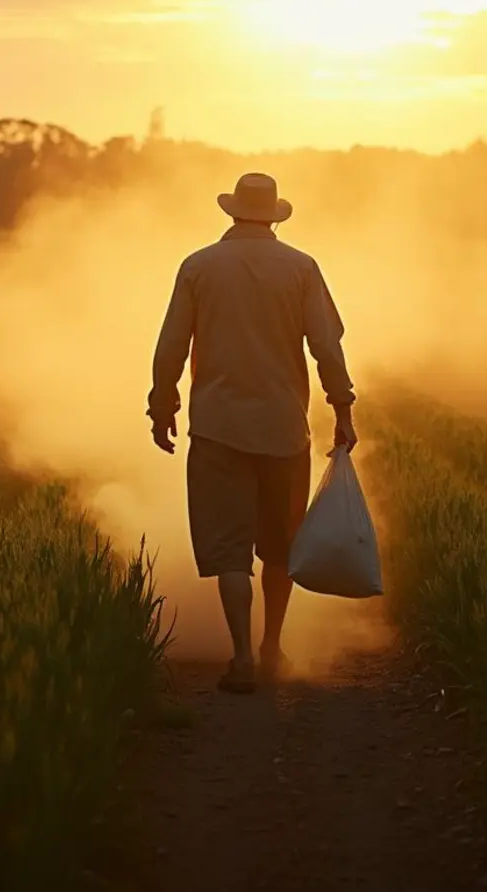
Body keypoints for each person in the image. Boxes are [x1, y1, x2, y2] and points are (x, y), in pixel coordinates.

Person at [147, 172, 358, 695]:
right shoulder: (301, 268)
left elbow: (171, 345)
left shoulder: (198, 266)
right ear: (274, 216)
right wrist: (342, 405)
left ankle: (240, 656)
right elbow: (327, 347)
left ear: (233, 212)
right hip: (284, 429)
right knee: (281, 547)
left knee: (229, 550)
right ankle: (271, 647)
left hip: (218, 428)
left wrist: (162, 405)